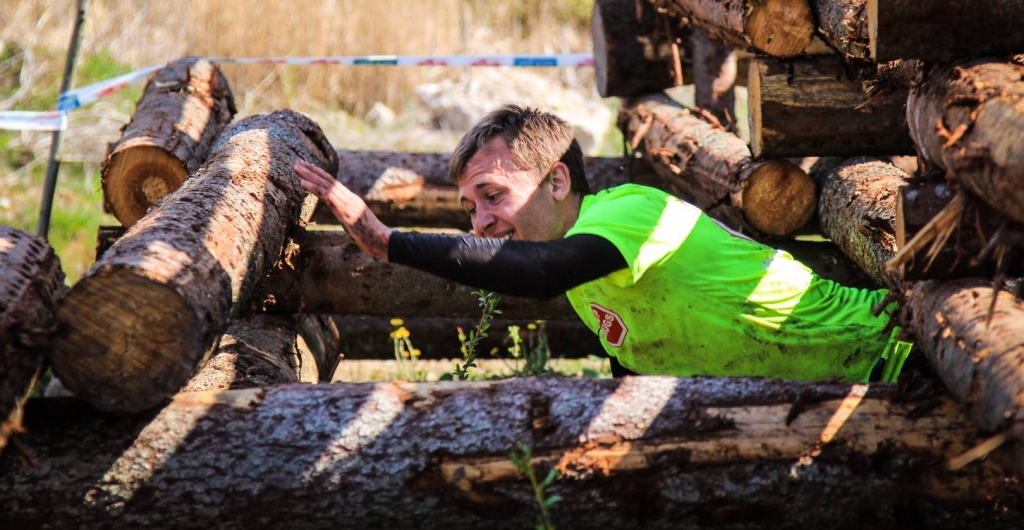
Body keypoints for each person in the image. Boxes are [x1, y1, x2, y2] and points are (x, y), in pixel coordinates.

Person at [294, 104, 912, 382]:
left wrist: (386, 240)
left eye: (492, 194)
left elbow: (540, 272)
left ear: (558, 179)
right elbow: (635, 361)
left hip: (887, 357)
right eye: (469, 207)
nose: (479, 222)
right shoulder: (585, 272)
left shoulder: (628, 212)